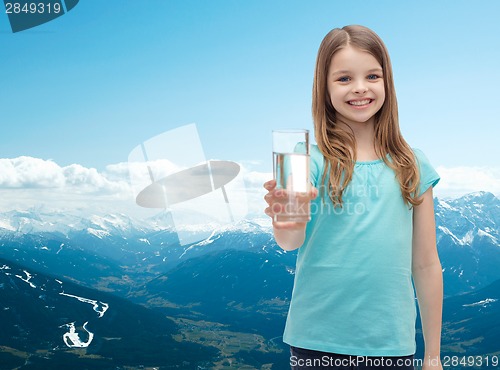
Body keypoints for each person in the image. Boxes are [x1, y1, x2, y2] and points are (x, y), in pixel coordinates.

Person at [264, 25, 443, 370]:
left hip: (391, 344)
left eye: (372, 76)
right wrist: (284, 218)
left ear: (387, 82)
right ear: (324, 88)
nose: (360, 88)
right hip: (316, 341)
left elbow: (425, 263)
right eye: (344, 79)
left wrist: (432, 355)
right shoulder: (303, 159)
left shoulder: (413, 164)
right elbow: (290, 240)